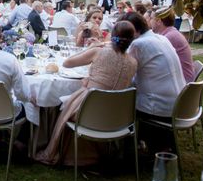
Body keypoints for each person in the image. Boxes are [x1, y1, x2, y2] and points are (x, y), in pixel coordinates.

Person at [35, 20, 138, 165]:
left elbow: (67, 63)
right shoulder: (133, 62)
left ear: (112, 35)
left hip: (89, 111)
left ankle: (51, 146)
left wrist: (92, 47)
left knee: (61, 103)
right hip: (116, 116)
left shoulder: (99, 52)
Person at [120, 12, 185, 119]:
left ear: (133, 31)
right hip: (180, 103)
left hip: (159, 108)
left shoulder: (138, 44)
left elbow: (124, 76)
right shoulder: (162, 38)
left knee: (115, 96)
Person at [149, 7, 194, 83]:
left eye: (151, 18)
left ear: (159, 21)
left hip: (181, 83)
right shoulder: (171, 33)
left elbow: (154, 61)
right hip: (180, 79)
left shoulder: (169, 37)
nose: (150, 21)